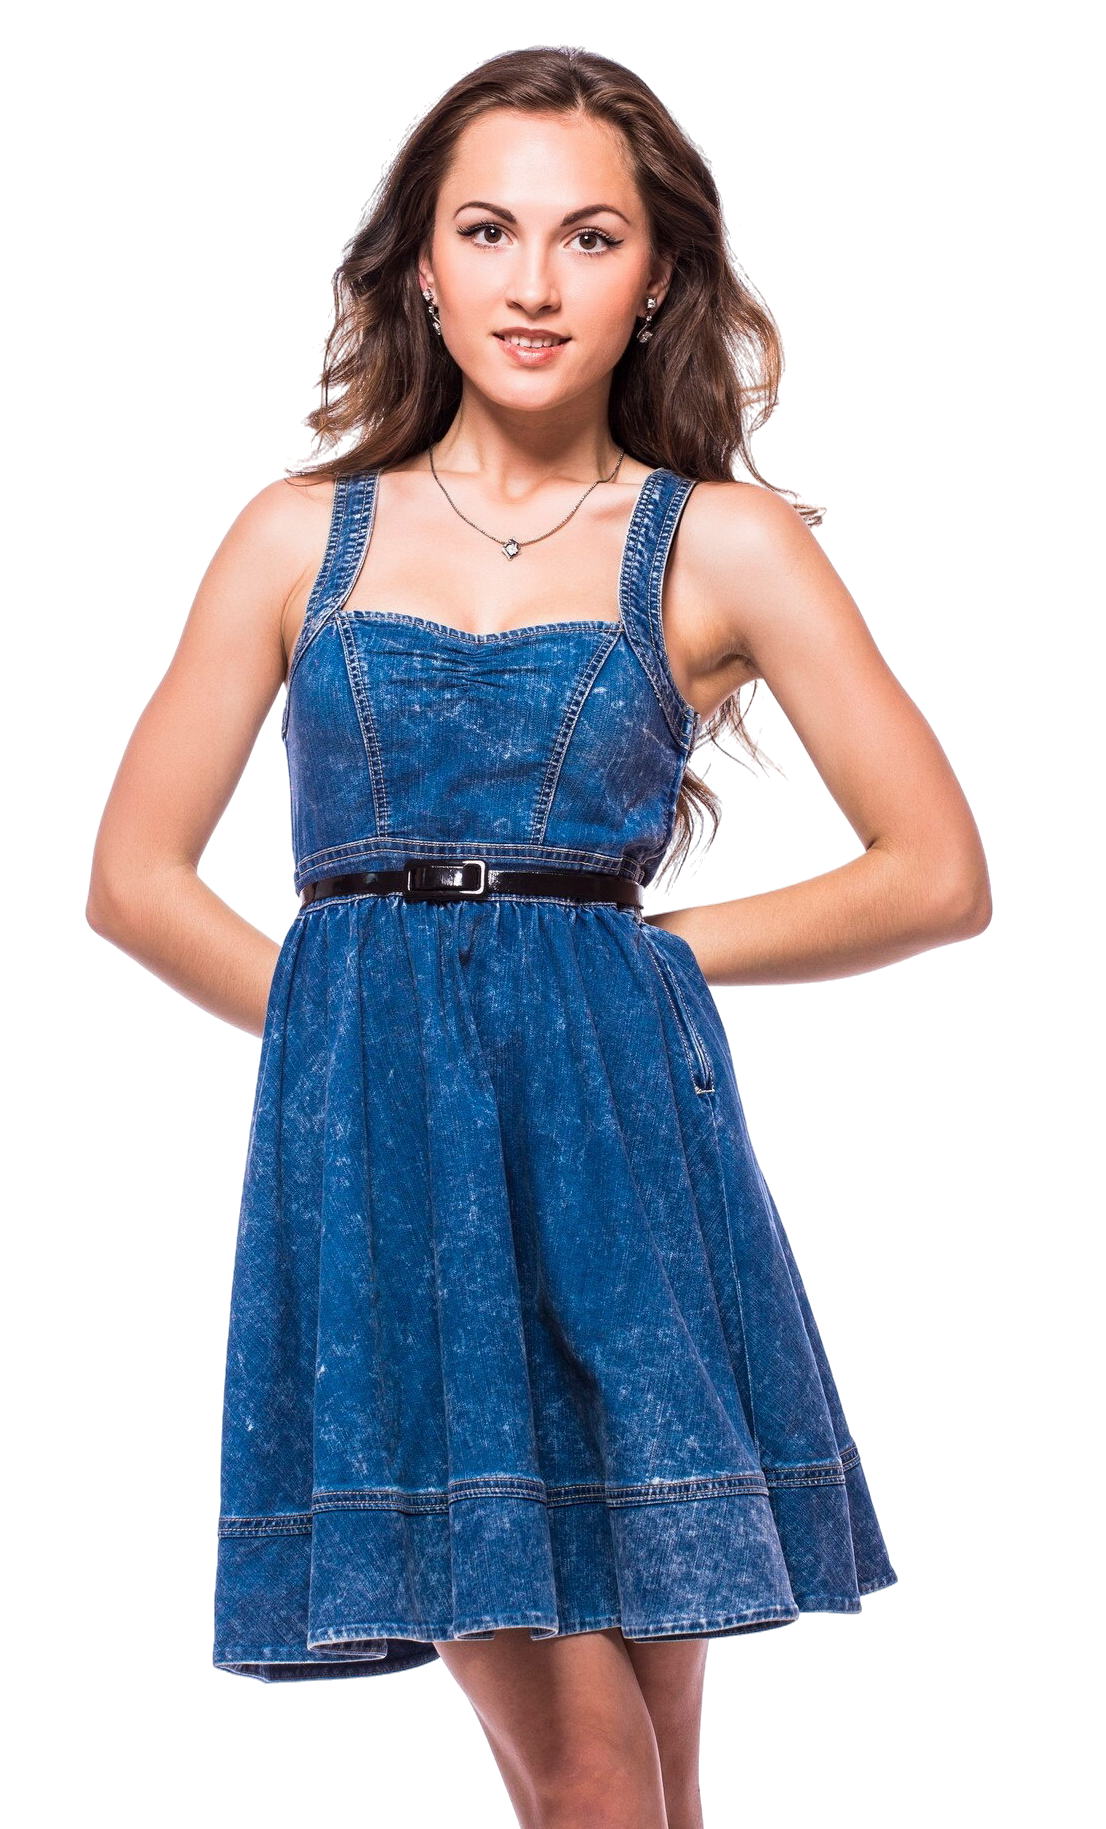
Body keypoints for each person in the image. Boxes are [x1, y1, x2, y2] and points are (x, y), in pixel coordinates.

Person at [85, 44, 990, 1829]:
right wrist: (362, 1056)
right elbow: (133, 879)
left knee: (651, 1773)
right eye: (487, 230)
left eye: (590, 237)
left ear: (656, 277)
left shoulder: (724, 541)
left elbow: (936, 874)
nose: (532, 281)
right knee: (586, 1770)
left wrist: (653, 963)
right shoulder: (294, 534)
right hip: (391, 1183)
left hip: (623, 1165)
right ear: (419, 266)